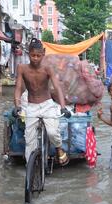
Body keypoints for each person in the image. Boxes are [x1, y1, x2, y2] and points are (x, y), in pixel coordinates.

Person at [14, 38, 71, 166]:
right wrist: (17, 106)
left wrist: (63, 107)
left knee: (52, 132)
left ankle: (59, 148)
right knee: (29, 140)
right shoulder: (22, 68)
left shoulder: (48, 69)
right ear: (28, 53)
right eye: (33, 55)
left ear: (43, 54)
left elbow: (57, 87)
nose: (35, 58)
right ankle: (31, 169)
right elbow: (18, 88)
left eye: (38, 56)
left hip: (47, 105)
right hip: (31, 107)